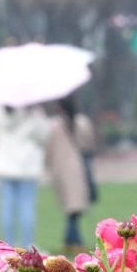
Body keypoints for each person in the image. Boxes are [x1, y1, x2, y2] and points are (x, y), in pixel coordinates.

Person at [0, 102, 51, 249]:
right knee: (27, 207)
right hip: (28, 166)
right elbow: (44, 134)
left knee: (7, 207)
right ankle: (28, 244)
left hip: (4, 165)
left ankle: (8, 245)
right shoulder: (32, 108)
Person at [46, 99, 92, 255]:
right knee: (74, 208)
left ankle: (72, 240)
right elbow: (89, 144)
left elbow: (48, 150)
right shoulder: (82, 123)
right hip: (77, 168)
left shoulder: (53, 126)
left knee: (71, 208)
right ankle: (73, 240)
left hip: (60, 169)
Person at [58, 95, 99, 204]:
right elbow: (90, 139)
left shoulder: (60, 124)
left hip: (74, 156)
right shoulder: (82, 122)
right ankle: (90, 196)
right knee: (87, 177)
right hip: (83, 154)